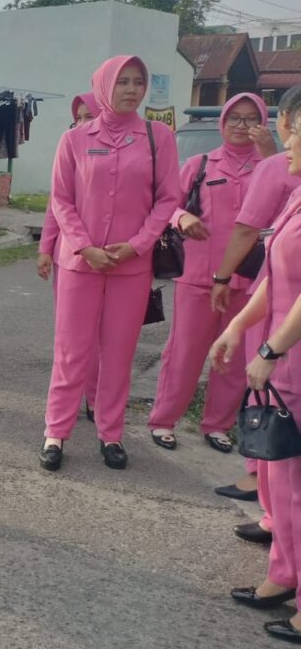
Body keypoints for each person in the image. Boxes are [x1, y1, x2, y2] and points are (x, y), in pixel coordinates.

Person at [38, 56, 181, 472]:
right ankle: (55, 433)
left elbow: (168, 199)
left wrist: (138, 245)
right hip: (80, 264)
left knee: (119, 352)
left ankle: (111, 434)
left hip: (131, 267)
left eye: (139, 82)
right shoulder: (76, 140)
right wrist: (84, 246)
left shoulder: (158, 137)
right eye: (123, 82)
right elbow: (61, 199)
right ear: (104, 87)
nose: (132, 90)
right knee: (71, 351)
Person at [210, 108, 301, 644]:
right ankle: (285, 573)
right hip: (278, 360)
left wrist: (269, 348)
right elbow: (275, 275)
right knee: (277, 480)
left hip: (290, 356)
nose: (287, 141)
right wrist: (239, 326)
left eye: (297, 132)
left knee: (295, 485)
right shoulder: (295, 193)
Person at [148, 93, 271, 454]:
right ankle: (163, 419)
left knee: (232, 357)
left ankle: (217, 424)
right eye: (235, 118)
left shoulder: (273, 165)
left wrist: (267, 155)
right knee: (184, 352)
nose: (242, 126)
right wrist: (181, 217)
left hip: (249, 279)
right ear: (223, 122)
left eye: (251, 119)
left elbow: (287, 201)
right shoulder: (201, 163)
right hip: (198, 275)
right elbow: (167, 203)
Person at [36, 93, 100, 421]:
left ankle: (97, 397)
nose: (84, 123)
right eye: (80, 117)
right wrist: (45, 249)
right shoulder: (71, 148)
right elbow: (56, 206)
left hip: (111, 260)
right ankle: (68, 403)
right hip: (71, 259)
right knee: (72, 336)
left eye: (92, 116)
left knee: (104, 336)